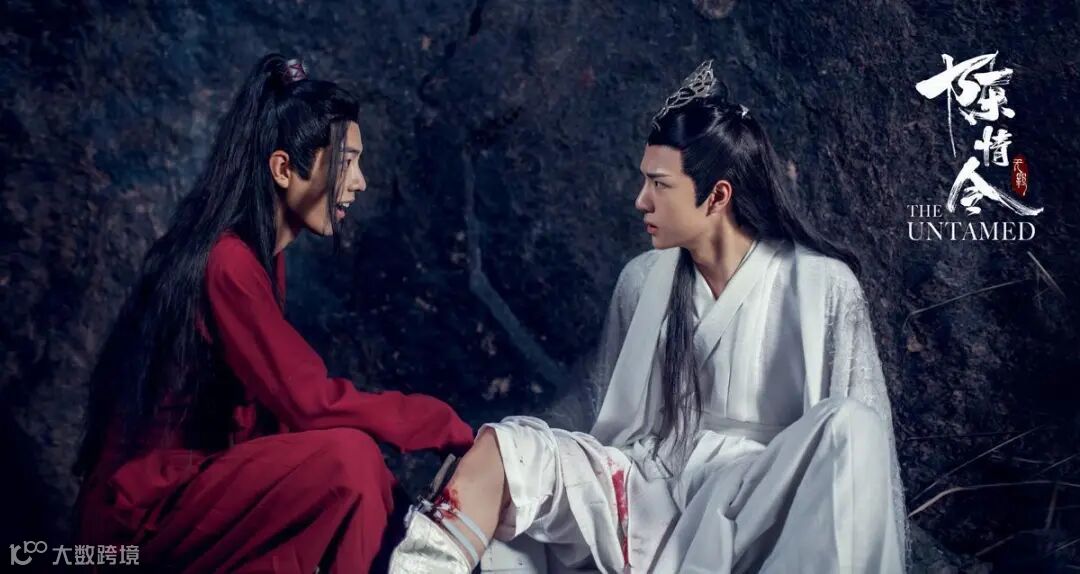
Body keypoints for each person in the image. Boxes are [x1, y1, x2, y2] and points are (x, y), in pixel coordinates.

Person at [388, 60, 907, 573]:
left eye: (660, 184)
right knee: (505, 450)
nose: (641, 201)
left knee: (852, 425)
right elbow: (601, 411)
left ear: (717, 195)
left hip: (762, 501)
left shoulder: (822, 286)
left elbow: (860, 471)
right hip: (649, 486)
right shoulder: (642, 279)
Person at [72, 53, 474, 573]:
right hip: (143, 521)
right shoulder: (227, 262)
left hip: (202, 491)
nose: (360, 182)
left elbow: (277, 413)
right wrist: (443, 425)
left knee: (365, 482)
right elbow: (309, 402)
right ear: (283, 169)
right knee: (348, 461)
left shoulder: (262, 259)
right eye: (346, 162)